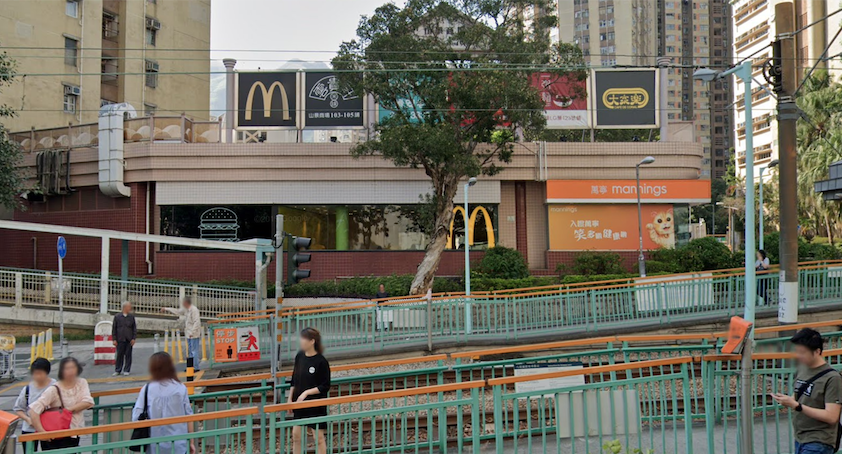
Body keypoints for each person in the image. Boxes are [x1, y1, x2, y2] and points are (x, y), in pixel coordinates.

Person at [772, 328, 842, 454]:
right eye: (797, 351)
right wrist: (787, 400)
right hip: (800, 438)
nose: (798, 356)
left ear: (817, 351)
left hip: (819, 441)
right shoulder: (802, 370)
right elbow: (797, 397)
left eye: (802, 352)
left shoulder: (832, 378)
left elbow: (832, 416)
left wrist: (797, 406)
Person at [132, 352, 196, 454]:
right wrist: (191, 442)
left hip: (154, 445)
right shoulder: (180, 388)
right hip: (178, 444)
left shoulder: (147, 389)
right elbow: (189, 416)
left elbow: (136, 417)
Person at [29, 357, 94, 450]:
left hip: (73, 431)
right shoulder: (54, 389)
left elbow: (88, 402)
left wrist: (67, 411)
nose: (71, 371)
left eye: (73, 367)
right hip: (55, 435)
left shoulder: (81, 382)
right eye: (67, 368)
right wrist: (42, 432)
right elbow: (33, 410)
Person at [288, 328, 331, 454]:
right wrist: (290, 399)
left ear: (312, 341)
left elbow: (325, 385)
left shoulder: (321, 361)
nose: (300, 341)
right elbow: (294, 379)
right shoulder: (300, 356)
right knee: (296, 436)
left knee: (318, 438)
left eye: (303, 338)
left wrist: (306, 393)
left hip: (315, 404)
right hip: (300, 403)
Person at [14, 358, 56, 451]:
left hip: (49, 428)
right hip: (30, 429)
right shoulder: (28, 389)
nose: (37, 376)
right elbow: (19, 409)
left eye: (40, 373)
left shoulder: (55, 386)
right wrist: (28, 419)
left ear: (47, 372)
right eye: (35, 373)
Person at [161, 297, 202, 371]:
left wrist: (193, 332)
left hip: (194, 334)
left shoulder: (194, 310)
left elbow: (197, 322)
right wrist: (166, 309)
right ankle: (190, 367)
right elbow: (177, 311)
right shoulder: (186, 310)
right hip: (188, 333)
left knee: (194, 351)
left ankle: (196, 367)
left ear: (186, 303)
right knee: (190, 351)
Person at [113, 301, 138, 376]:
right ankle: (118, 370)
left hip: (129, 339)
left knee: (128, 355)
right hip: (120, 339)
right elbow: (114, 328)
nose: (130, 308)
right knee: (119, 355)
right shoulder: (117, 316)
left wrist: (133, 338)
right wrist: (114, 339)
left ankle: (127, 370)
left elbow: (134, 328)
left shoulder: (131, 317)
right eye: (129, 307)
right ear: (125, 307)